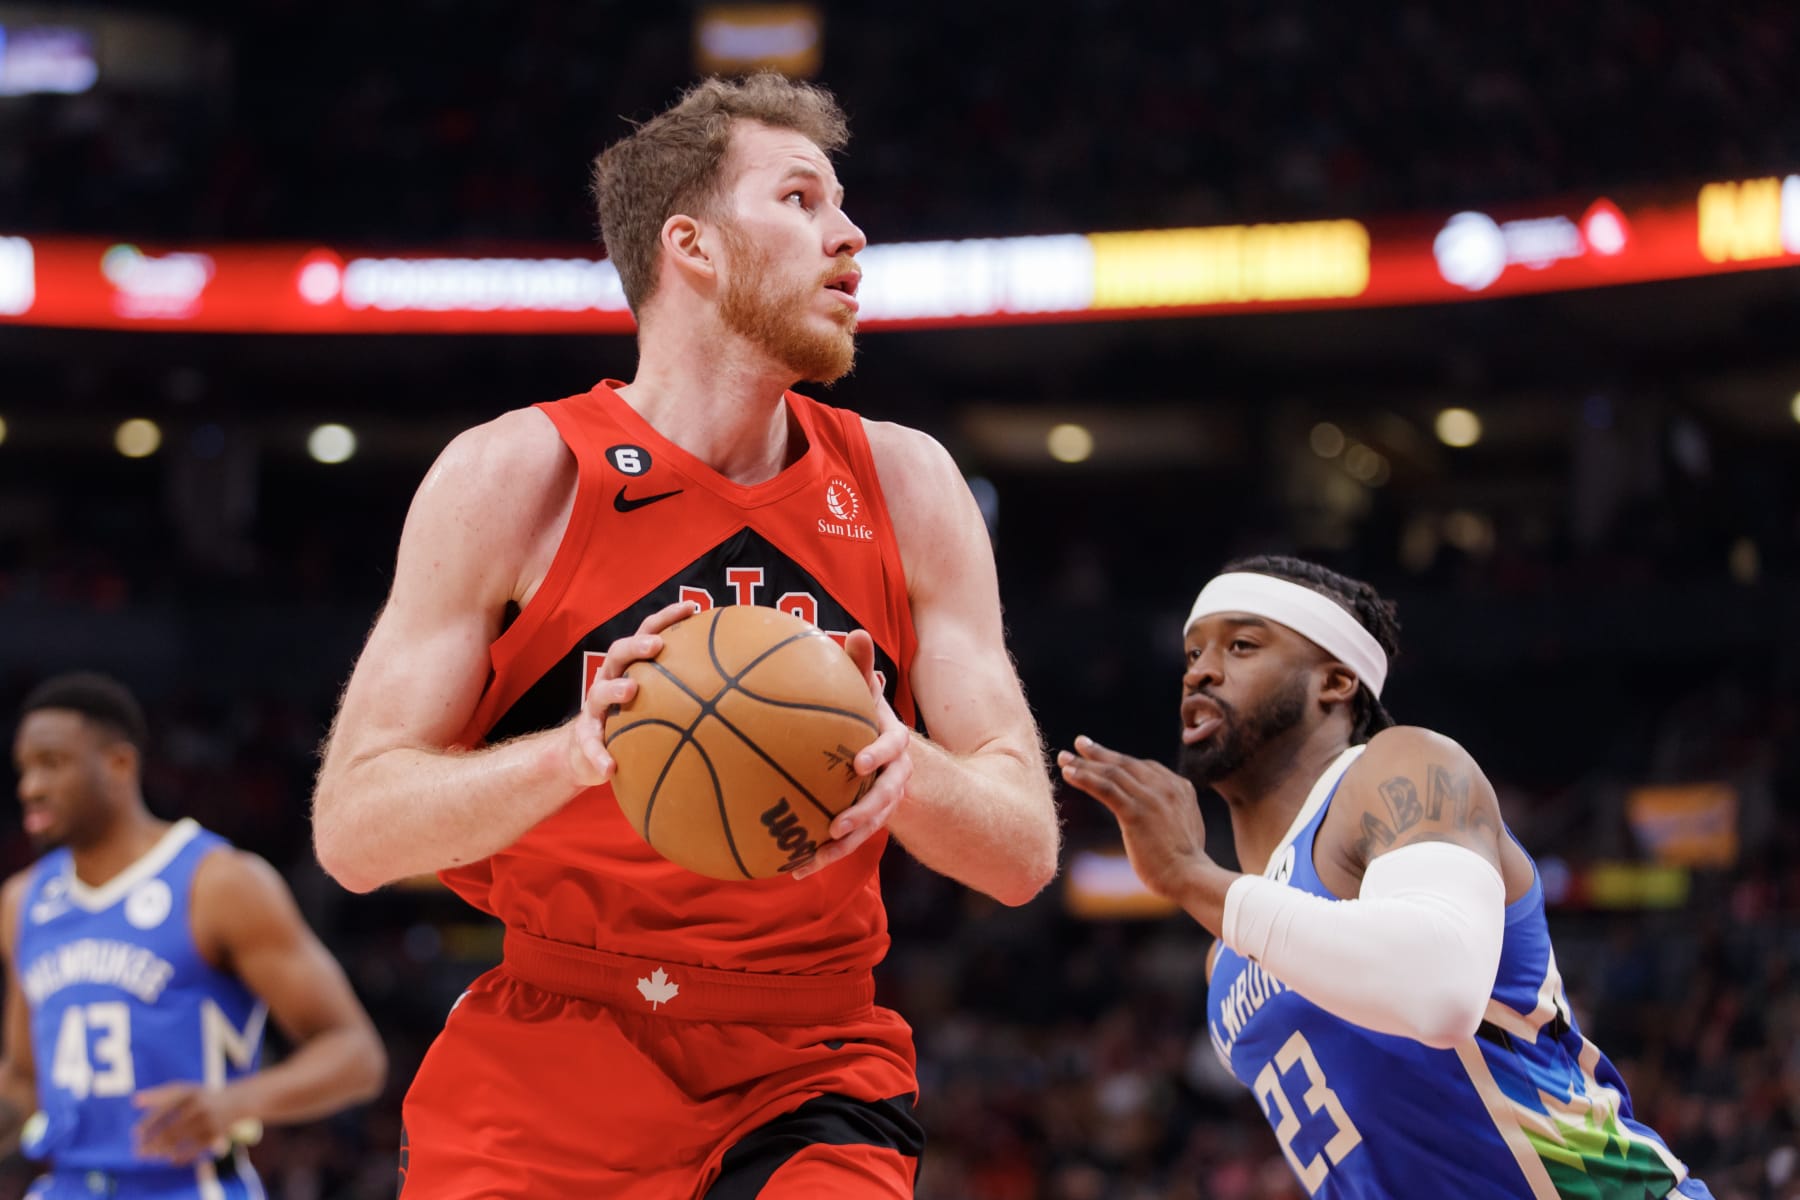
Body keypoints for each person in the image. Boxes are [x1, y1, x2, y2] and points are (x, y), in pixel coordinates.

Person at [310, 72, 1058, 1198]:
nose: (851, 236)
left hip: (808, 1058)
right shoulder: (518, 476)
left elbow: (1021, 854)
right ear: (693, 246)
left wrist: (905, 771)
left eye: (844, 205)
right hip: (554, 1044)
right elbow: (355, 833)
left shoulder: (906, 484)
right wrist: (573, 752)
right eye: (802, 200)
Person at [1059, 556, 1712, 1200]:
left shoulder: (1398, 768)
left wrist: (1188, 875)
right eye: (1192, 653)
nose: (1200, 670)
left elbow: (1441, 992)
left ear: (1336, 681)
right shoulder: (1224, 960)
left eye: (1242, 645)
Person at [2, 672, 387, 1199]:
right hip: (66, 1185)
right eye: (24, 768)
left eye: (51, 764)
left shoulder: (219, 881)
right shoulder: (22, 901)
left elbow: (357, 1055)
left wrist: (233, 1102)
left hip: (191, 1184)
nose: (30, 787)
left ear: (119, 764)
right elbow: (25, 1081)